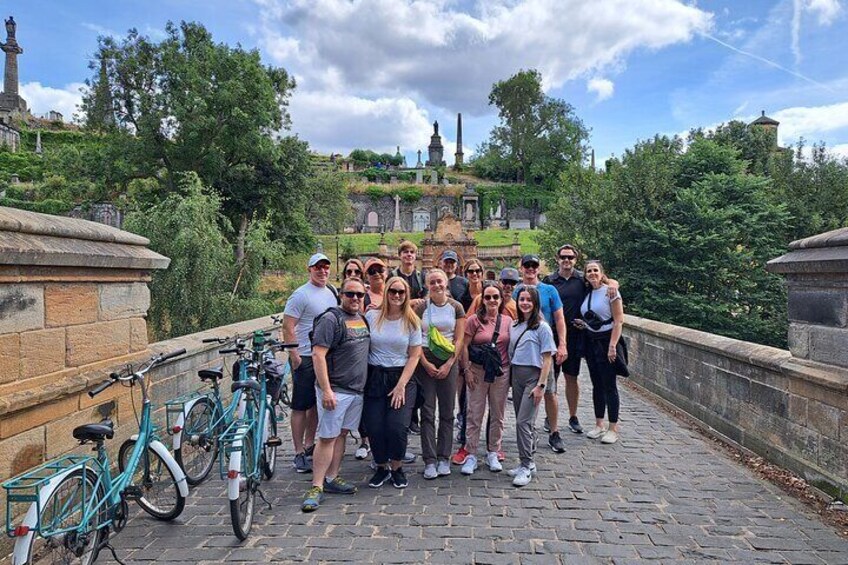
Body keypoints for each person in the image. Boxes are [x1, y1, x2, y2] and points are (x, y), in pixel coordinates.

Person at [301, 278, 371, 512]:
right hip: (336, 390)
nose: (355, 299)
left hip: (356, 390)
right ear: (341, 294)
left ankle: (332, 478)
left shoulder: (361, 319)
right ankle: (317, 486)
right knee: (327, 437)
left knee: (341, 434)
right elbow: (318, 355)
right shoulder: (331, 319)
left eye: (359, 295)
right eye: (350, 294)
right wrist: (327, 390)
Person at [543, 245, 620, 435]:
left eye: (570, 257)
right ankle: (549, 417)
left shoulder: (582, 279)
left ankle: (573, 416)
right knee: (551, 378)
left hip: (577, 336)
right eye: (563, 257)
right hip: (553, 335)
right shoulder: (550, 280)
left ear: (575, 259)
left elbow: (601, 280)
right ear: (557, 258)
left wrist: (613, 283)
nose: (566, 260)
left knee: (572, 377)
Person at [363, 277, 423, 489]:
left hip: (402, 376)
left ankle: (397, 467)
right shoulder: (371, 316)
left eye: (401, 292)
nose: (397, 295)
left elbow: (415, 355)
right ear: (387, 292)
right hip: (376, 376)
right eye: (393, 291)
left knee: (397, 426)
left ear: (407, 295)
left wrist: (401, 385)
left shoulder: (412, 320)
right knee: (375, 425)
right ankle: (381, 466)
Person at [283, 253, 338, 473]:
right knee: (300, 406)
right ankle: (297, 451)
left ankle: (309, 445)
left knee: (316, 404)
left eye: (326, 267)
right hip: (306, 356)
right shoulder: (300, 295)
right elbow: (288, 326)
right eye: (318, 267)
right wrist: (294, 355)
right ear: (310, 269)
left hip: (325, 357)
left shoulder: (331, 292)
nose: (323, 271)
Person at [412, 269, 466, 479]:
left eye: (440, 281)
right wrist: (424, 363)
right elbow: (415, 337)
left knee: (447, 411)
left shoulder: (456, 307)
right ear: (427, 285)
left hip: (448, 359)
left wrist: (450, 363)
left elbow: (459, 339)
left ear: (446, 283)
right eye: (432, 282)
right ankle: (430, 459)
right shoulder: (421, 308)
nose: (436, 285)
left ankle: (444, 456)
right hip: (425, 357)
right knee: (427, 411)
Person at [513, 254, 568, 454]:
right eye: (527, 265)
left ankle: (554, 432)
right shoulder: (517, 291)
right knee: (528, 395)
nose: (530, 268)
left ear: (538, 268)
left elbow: (560, 319)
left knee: (549, 392)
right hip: (524, 352)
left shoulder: (549, 290)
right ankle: (530, 432)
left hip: (545, 347)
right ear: (521, 268)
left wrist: (562, 344)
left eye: (534, 265)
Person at [459, 281, 512, 475]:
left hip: (500, 372)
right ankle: (471, 452)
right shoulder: (474, 320)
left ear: (500, 299)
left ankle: (493, 450)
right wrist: (467, 370)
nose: (491, 300)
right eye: (487, 297)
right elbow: (464, 345)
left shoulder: (507, 321)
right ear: (482, 299)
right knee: (474, 412)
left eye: (495, 297)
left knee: (498, 414)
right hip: (478, 371)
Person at [507, 286, 556, 487]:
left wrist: (541, 385)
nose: (525, 303)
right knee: (525, 422)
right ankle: (526, 461)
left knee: (522, 422)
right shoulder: (515, 324)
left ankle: (526, 465)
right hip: (516, 376)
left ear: (535, 303)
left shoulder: (542, 327)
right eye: (522, 299)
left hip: (532, 378)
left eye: (529, 300)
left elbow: (547, 359)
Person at [577, 260, 625, 445]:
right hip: (591, 341)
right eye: (589, 271)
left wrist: (613, 346)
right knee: (597, 383)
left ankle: (613, 427)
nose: (592, 273)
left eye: (595, 270)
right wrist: (583, 324)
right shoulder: (588, 292)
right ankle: (599, 424)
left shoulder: (611, 291)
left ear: (602, 272)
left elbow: (618, 320)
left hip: (606, 341)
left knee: (609, 385)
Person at [342, 258, 372, 460]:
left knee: (366, 405)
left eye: (356, 270)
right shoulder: (336, 313)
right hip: (342, 371)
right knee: (338, 426)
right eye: (349, 270)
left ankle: (366, 441)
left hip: (365, 362)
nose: (353, 273)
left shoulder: (366, 302)